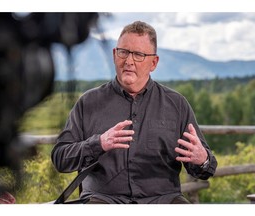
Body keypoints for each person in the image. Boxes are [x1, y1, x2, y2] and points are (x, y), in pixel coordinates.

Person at [51, 21, 217, 204]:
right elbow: (60, 158)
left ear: (153, 62)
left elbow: (206, 170)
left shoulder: (176, 105)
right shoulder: (88, 103)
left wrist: (202, 160)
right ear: (115, 55)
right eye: (123, 52)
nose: (129, 61)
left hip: (163, 201)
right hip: (103, 201)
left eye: (138, 54)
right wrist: (98, 143)